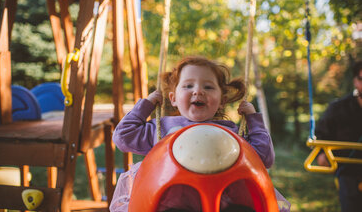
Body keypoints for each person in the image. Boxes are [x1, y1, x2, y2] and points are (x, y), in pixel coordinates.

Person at [110, 56, 290, 212]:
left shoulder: (230, 134)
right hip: (172, 205)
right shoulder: (162, 130)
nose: (198, 91)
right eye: (188, 85)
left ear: (222, 101)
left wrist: (253, 120)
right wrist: (146, 105)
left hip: (220, 204)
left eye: (209, 87)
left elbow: (264, 158)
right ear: (173, 99)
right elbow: (123, 137)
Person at [316, 60, 362, 212]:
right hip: (348, 169)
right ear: (355, 81)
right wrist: (322, 152)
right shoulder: (338, 108)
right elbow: (322, 131)